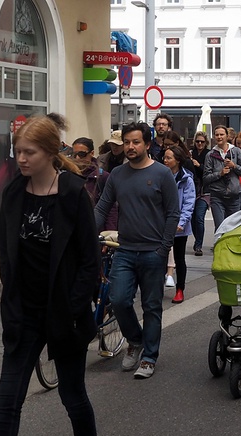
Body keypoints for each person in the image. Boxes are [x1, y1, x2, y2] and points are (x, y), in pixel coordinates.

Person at [0, 113, 100, 436]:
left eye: (29, 152)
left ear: (51, 153)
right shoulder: (12, 193)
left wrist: (73, 307)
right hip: (23, 314)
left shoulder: (73, 194)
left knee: (73, 396)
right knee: (7, 401)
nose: (21, 159)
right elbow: (5, 253)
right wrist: (11, 302)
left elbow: (89, 261)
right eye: (18, 151)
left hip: (64, 314)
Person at [93, 121, 181, 380]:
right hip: (125, 250)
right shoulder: (118, 175)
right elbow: (102, 207)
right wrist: (86, 233)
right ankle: (135, 339)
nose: (131, 147)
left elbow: (172, 213)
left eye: (136, 142)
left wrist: (164, 248)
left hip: (153, 251)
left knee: (152, 306)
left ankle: (149, 357)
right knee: (118, 300)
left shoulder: (163, 173)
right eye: (127, 142)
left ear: (147, 144)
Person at [161, 146, 196, 303]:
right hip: (161, 224)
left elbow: (189, 203)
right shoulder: (160, 176)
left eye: (169, 158)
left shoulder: (187, 179)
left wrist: (181, 222)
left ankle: (180, 288)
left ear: (178, 160)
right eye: (165, 157)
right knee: (159, 256)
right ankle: (157, 285)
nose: (165, 160)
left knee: (179, 258)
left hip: (178, 226)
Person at [203, 125, 241, 232]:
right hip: (217, 196)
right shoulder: (210, 155)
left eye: (221, 134)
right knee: (220, 227)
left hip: (234, 196)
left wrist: (234, 166)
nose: (219, 137)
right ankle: (219, 247)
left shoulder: (236, 151)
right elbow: (206, 178)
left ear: (227, 136)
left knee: (234, 228)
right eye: (217, 135)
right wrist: (220, 173)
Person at [189, 131, 211, 256]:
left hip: (204, 191)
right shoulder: (191, 153)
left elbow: (209, 172)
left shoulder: (209, 154)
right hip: (193, 190)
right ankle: (197, 239)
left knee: (199, 218)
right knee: (192, 219)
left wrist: (199, 165)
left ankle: (199, 245)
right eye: (197, 141)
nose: (199, 144)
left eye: (202, 142)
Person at [70, 137, 108, 207]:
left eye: (82, 154)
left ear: (92, 153)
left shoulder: (102, 176)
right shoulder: (68, 175)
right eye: (74, 154)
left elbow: (110, 207)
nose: (77, 158)